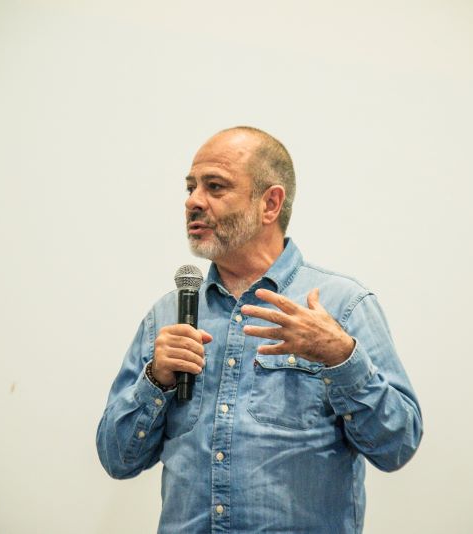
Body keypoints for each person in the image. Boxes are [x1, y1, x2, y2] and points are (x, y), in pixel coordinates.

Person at [96, 126, 423, 533]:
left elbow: (397, 446)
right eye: (191, 187)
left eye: (215, 187)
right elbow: (117, 460)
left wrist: (342, 358)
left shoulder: (343, 305)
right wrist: (155, 381)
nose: (193, 201)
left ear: (270, 204)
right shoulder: (167, 316)